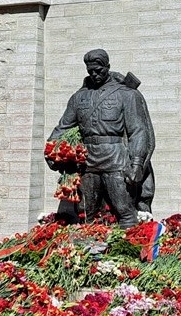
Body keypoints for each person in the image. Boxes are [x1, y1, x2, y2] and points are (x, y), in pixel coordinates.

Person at [47, 49, 155, 228]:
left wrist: (136, 164)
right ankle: (89, 251)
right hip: (88, 160)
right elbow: (63, 127)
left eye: (99, 70)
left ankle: (128, 249)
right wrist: (51, 152)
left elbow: (139, 131)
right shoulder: (79, 97)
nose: (94, 74)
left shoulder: (126, 94)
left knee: (125, 210)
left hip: (116, 158)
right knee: (86, 210)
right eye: (91, 71)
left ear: (108, 67)